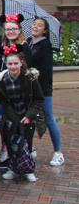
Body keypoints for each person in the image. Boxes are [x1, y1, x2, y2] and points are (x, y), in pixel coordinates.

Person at [0, 49, 46, 182]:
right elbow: (4, 102)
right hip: (12, 117)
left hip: (27, 116)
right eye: (10, 64)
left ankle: (28, 169)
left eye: (16, 63)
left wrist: (28, 116)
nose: (13, 67)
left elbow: (38, 99)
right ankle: (13, 167)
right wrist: (13, 117)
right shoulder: (2, 81)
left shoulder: (30, 78)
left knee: (27, 143)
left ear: (21, 63)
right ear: (6, 64)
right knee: (11, 142)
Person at [28, 17, 63, 166]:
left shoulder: (45, 45)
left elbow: (47, 70)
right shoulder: (29, 43)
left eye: (40, 25)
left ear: (45, 30)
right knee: (29, 118)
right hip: (29, 88)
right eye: (34, 24)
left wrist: (39, 92)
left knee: (48, 119)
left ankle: (58, 153)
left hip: (42, 90)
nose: (35, 26)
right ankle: (29, 149)